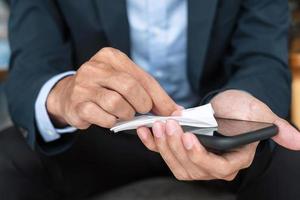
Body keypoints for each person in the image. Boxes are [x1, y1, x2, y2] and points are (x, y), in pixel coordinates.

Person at [2, 0, 300, 199]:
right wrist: (63, 95)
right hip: (94, 135)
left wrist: (244, 102)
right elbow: (32, 64)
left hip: (212, 132)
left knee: (291, 160)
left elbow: (263, 59)